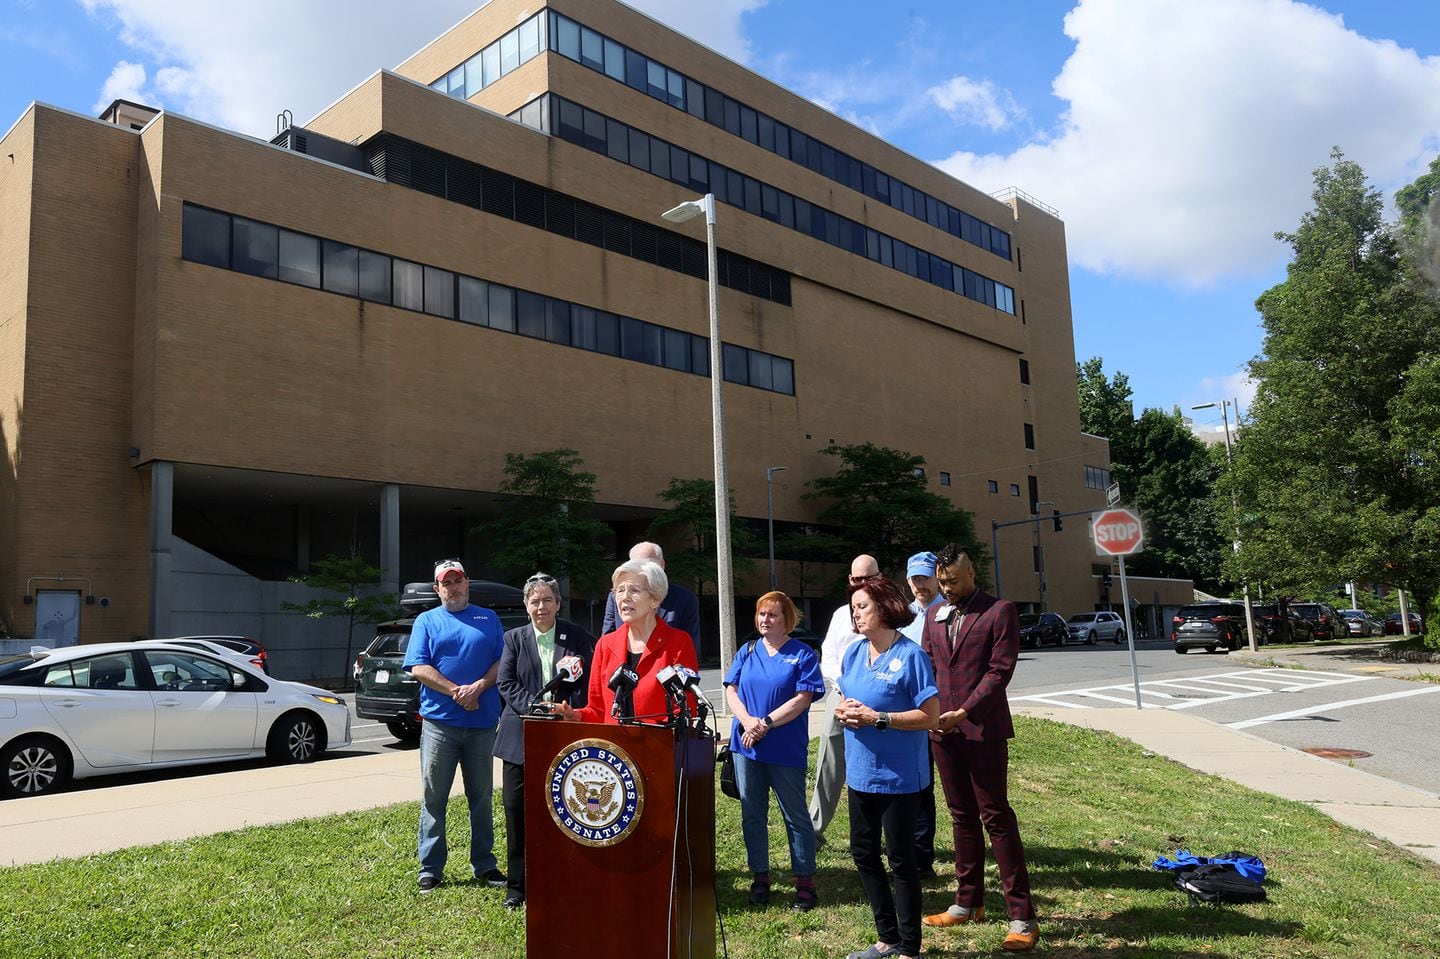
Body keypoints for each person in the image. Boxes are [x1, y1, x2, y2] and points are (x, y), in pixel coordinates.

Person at [919, 544, 1039, 952]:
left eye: (953, 580)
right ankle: (967, 902)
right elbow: (928, 665)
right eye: (941, 582)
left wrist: (965, 711)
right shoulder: (935, 615)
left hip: (982, 730)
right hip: (941, 732)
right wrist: (930, 712)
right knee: (960, 816)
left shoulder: (999, 610)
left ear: (971, 572)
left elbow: (999, 671)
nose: (946, 588)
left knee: (996, 816)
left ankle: (1022, 916)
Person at [837, 575, 939, 959]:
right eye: (854, 607)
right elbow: (848, 699)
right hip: (861, 772)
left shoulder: (910, 656)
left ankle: (910, 947)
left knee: (901, 860)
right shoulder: (853, 652)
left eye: (862, 606)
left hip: (899, 778)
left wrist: (880, 718)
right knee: (863, 852)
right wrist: (843, 711)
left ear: (883, 607)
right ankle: (887, 937)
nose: (856, 613)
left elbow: (930, 716)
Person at [402, 559, 507, 893]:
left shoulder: (488, 619)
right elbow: (418, 666)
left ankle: (485, 865)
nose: (453, 588)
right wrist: (456, 691)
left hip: (481, 725)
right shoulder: (426, 621)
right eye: (446, 584)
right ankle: (430, 868)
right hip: (439, 726)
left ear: (467, 582)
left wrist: (478, 687)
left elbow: (501, 661)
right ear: (437, 589)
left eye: (457, 581)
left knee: (482, 797)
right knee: (434, 798)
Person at [495, 572, 595, 910]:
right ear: (526, 605)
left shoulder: (577, 636)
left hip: (563, 735)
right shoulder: (513, 638)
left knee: (564, 810)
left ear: (558, 603)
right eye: (535, 601)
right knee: (516, 810)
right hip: (519, 737)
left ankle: (562, 877)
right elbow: (506, 683)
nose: (541, 607)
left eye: (547, 600)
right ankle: (517, 886)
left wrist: (568, 710)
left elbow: (588, 682)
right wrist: (535, 708)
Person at [723, 591, 825, 912]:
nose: (764, 620)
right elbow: (731, 689)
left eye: (772, 615)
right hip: (746, 748)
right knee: (752, 814)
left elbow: (803, 699)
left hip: (784, 749)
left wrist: (764, 723)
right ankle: (760, 878)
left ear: (787, 621)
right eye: (761, 614)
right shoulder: (747, 650)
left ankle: (805, 882)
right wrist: (746, 721)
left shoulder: (803, 654)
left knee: (795, 815)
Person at [562, 558, 699, 724]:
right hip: (613, 748)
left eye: (634, 590)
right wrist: (576, 715)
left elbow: (686, 710)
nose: (624, 597)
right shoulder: (605, 645)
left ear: (654, 599)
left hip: (659, 746)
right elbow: (598, 710)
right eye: (619, 590)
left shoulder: (678, 642)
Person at [809, 553, 880, 839]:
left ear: (879, 577)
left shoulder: (890, 613)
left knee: (877, 768)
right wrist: (846, 691)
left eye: (868, 577)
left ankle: (878, 833)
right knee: (829, 763)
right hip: (841, 697)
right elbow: (828, 659)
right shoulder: (841, 615)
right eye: (856, 578)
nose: (861, 582)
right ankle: (813, 829)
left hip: (878, 701)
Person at [900, 550, 944, 877]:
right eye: (915, 579)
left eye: (925, 578)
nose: (920, 585)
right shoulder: (903, 616)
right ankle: (919, 857)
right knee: (918, 786)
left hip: (944, 713)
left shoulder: (950, 612)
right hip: (911, 715)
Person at [600, 542, 703, 655]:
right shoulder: (616, 597)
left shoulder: (685, 599)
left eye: (647, 564)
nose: (641, 569)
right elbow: (607, 640)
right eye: (635, 565)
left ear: (662, 565)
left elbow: (689, 650)